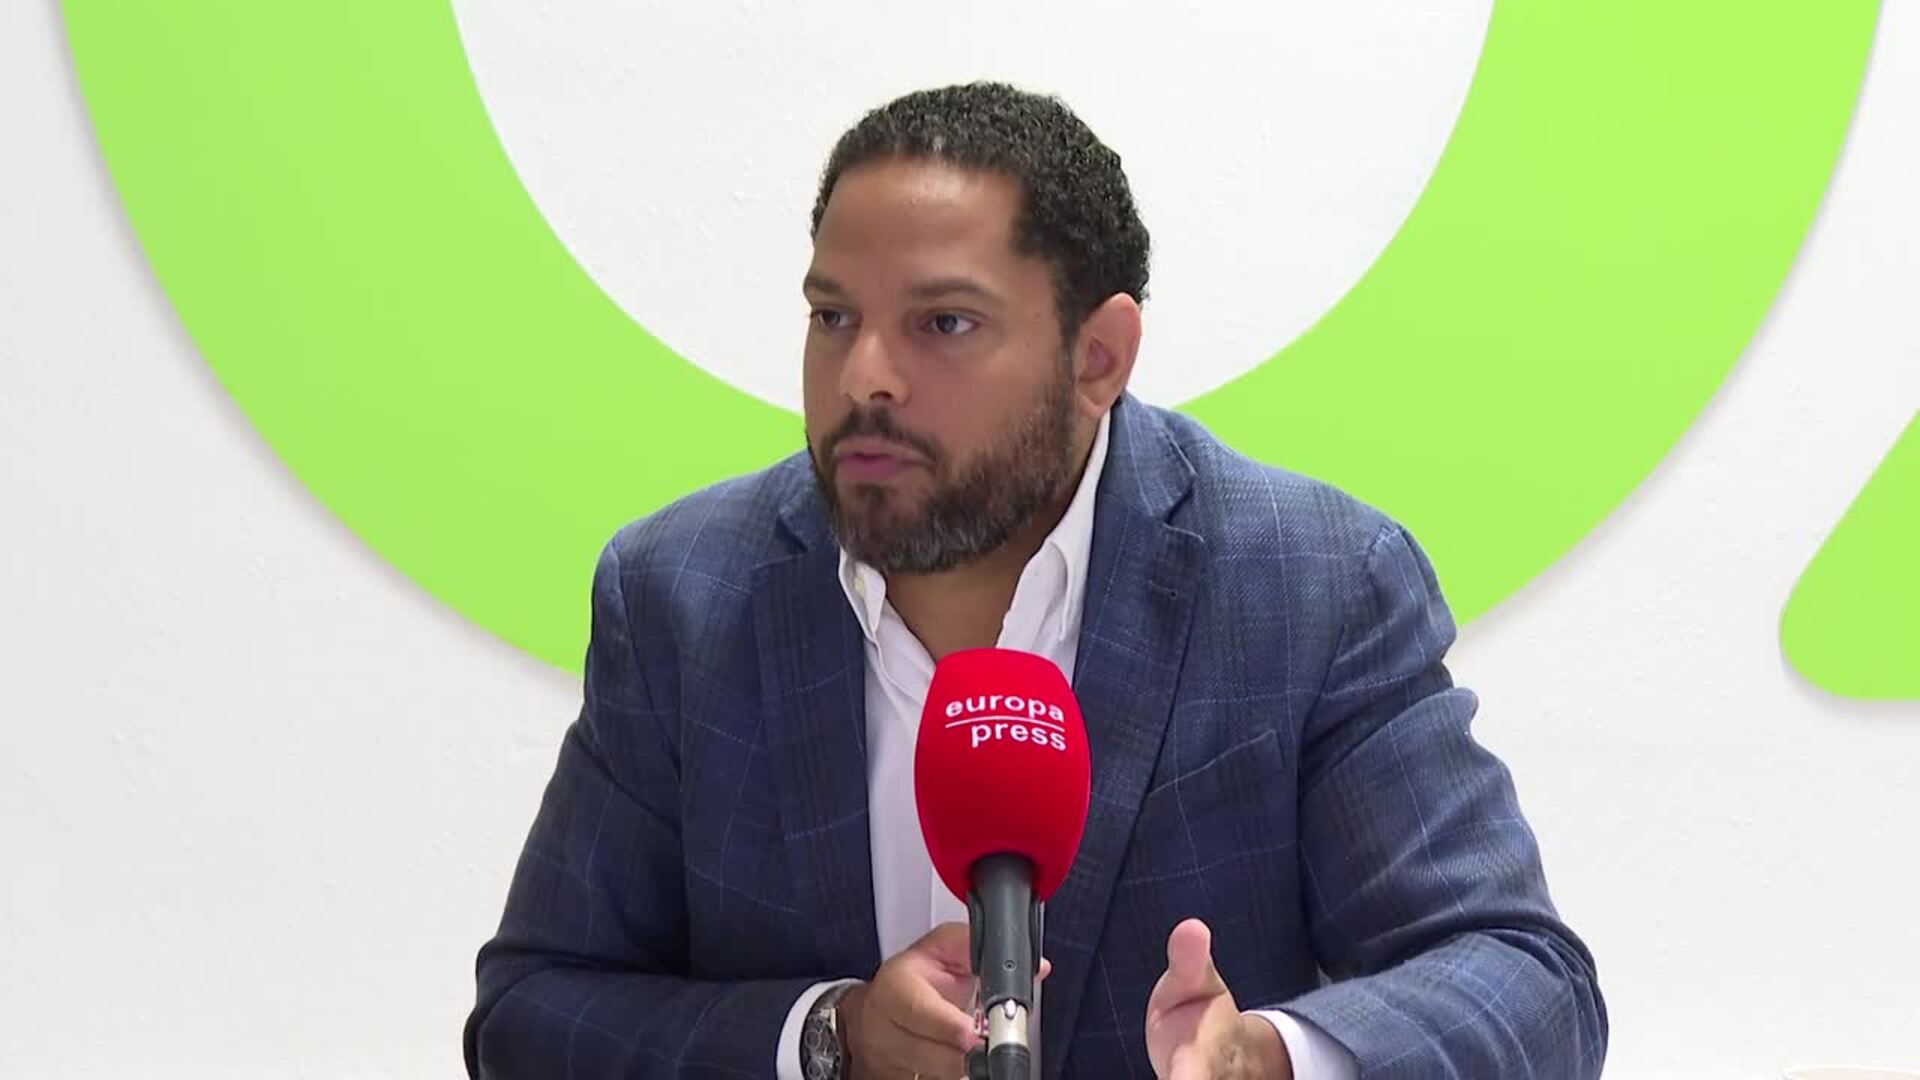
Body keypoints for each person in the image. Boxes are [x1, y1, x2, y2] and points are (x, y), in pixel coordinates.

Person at [463, 81, 1606, 1080]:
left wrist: (1269, 1057)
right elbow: (533, 1017)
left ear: (1098, 357)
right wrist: (830, 1039)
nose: (864, 378)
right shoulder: (681, 596)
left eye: (943, 323)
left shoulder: (1310, 586)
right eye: (832, 317)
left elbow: (1525, 983)